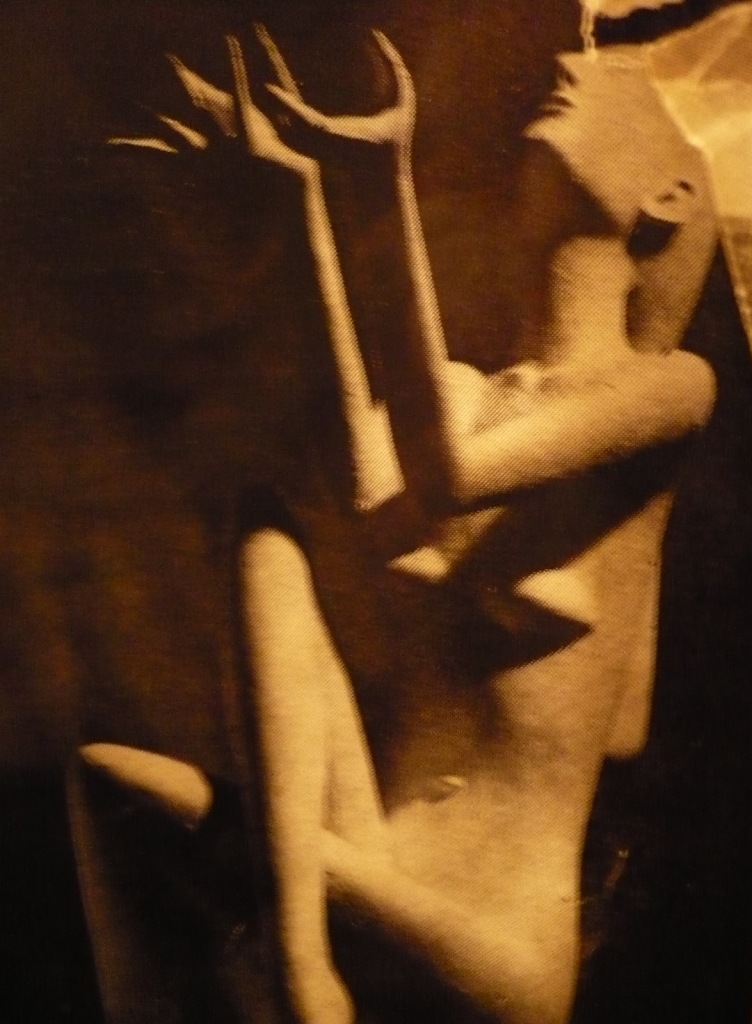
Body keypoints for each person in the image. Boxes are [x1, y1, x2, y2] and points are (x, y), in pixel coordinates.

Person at [95, 26, 717, 1024]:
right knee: (260, 539)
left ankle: (295, 962)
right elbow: (364, 490)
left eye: (611, 82)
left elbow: (448, 476)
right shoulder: (460, 394)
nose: (569, 69)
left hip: (490, 945)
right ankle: (297, 958)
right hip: (348, 856)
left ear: (672, 196)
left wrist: (377, 179)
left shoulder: (667, 391)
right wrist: (303, 191)